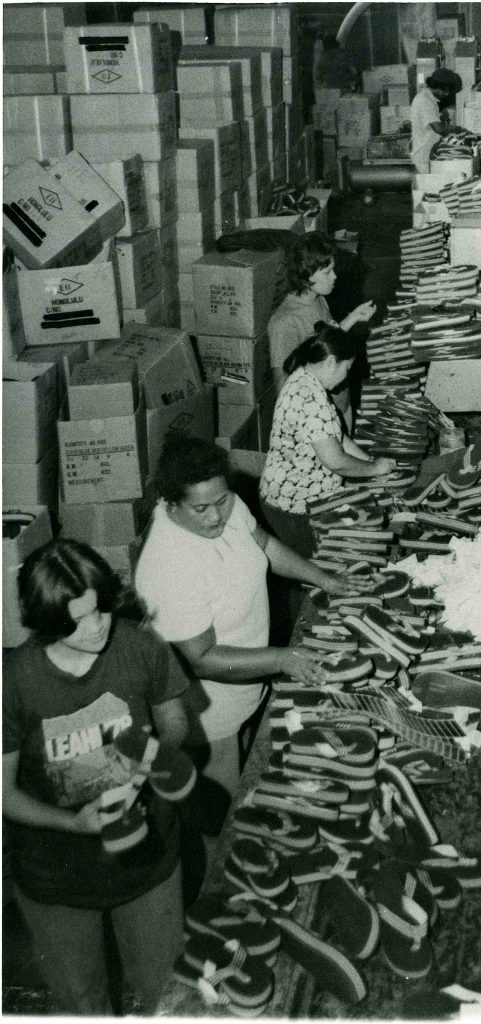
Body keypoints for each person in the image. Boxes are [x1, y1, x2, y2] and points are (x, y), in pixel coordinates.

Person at [3, 539, 189, 1014]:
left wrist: (151, 759)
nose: (97, 627)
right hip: (57, 875)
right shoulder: (16, 681)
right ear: (46, 621)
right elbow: (3, 793)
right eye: (77, 620)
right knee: (84, 1005)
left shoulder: (139, 643)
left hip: (146, 861)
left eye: (100, 609)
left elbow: (175, 721)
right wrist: (73, 823)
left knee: (165, 994)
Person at [134, 434, 352, 832]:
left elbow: (264, 544)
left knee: (261, 774)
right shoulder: (166, 566)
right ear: (171, 504)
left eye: (222, 501)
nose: (216, 516)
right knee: (228, 820)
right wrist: (282, 659)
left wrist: (323, 578)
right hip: (208, 714)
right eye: (200, 509)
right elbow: (201, 658)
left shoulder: (222, 503)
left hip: (252, 678)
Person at [260, 324, 396, 557]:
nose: (346, 377)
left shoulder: (308, 379)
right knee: (324, 566)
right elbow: (335, 460)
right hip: (295, 509)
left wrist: (372, 463)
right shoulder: (308, 396)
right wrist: (374, 468)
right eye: (347, 368)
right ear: (331, 362)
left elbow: (337, 437)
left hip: (301, 499)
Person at [268, 232, 376, 426]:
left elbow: (328, 344)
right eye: (327, 272)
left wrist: (353, 318)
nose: (334, 276)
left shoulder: (318, 299)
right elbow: (282, 389)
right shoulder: (285, 322)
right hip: (320, 420)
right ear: (305, 275)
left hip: (341, 406)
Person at [410, 67, 462, 173]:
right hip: (423, 158)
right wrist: (457, 130)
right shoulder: (424, 100)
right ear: (437, 87)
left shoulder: (430, 99)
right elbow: (438, 129)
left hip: (429, 154)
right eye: (445, 90)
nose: (447, 94)